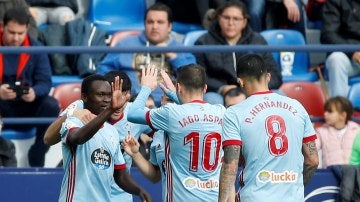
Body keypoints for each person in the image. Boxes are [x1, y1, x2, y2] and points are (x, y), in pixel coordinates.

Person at [218, 54, 319, 201]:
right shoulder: (297, 106)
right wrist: (296, 185)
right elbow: (313, 160)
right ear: (268, 77)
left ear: (240, 81)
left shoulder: (234, 113)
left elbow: (230, 166)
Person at [44, 70, 153, 202]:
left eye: (110, 95)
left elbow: (120, 174)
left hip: (118, 196)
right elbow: (71, 138)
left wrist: (139, 190)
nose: (109, 100)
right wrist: (72, 113)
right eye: (103, 94)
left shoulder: (113, 129)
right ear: (85, 97)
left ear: (128, 96)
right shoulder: (77, 116)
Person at [127, 64, 226, 201]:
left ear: (179, 87)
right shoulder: (221, 112)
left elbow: (132, 113)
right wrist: (175, 95)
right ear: (205, 88)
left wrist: (146, 88)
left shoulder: (171, 113)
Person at [97, 2, 196, 105]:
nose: (154, 26)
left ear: (169, 26)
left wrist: (172, 55)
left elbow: (193, 79)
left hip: (170, 106)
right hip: (131, 104)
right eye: (150, 22)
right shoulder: (126, 44)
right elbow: (104, 71)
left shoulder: (180, 49)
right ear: (144, 24)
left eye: (160, 22)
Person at [0, 7, 60, 167]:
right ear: (2, 27)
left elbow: (45, 82)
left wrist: (34, 92)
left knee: (51, 105)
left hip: (26, 105)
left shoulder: (36, 48)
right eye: (11, 32)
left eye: (20, 33)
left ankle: (37, 154)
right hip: (1, 107)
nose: (15, 38)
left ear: (27, 29)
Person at [194, 1, 282, 105]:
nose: (231, 23)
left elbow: (275, 76)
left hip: (254, 90)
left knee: (279, 96)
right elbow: (199, 76)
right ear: (218, 18)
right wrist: (222, 88)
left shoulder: (258, 41)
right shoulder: (203, 42)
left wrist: (253, 87)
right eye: (226, 18)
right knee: (212, 100)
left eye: (236, 19)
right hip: (219, 92)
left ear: (244, 21)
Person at [320, 0, 360, 97]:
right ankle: (340, 109)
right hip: (347, 57)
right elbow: (328, 35)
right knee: (336, 59)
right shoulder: (334, 2)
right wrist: (352, 52)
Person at [316, 96, 360, 168]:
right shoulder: (321, 132)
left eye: (330, 111)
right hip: (330, 174)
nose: (325, 114)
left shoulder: (356, 130)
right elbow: (311, 148)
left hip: (354, 175)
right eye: (325, 111)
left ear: (343, 115)